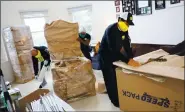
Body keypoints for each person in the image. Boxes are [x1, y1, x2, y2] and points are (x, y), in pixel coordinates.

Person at [98, 12, 141, 107]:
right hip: (105, 58)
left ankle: (120, 97)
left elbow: (127, 46)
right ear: (120, 20)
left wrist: (130, 58)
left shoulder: (124, 30)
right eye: (126, 23)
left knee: (117, 77)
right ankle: (115, 102)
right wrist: (127, 61)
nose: (127, 26)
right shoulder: (111, 30)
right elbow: (114, 49)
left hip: (114, 57)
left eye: (128, 24)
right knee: (110, 79)